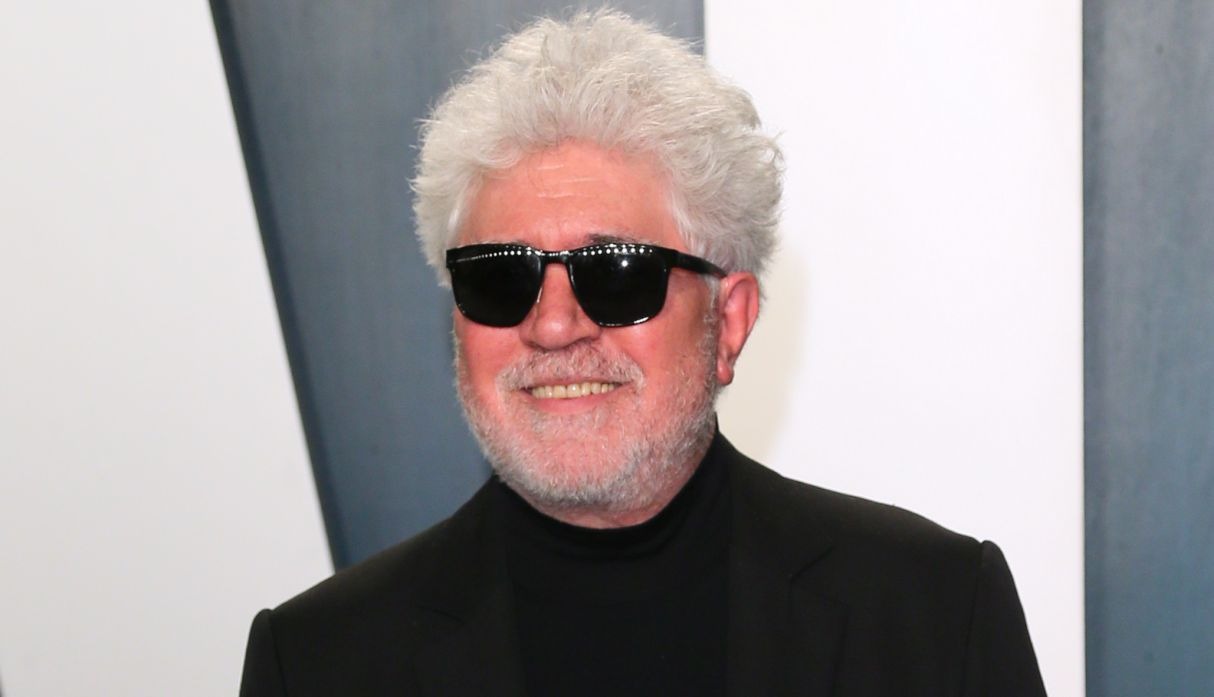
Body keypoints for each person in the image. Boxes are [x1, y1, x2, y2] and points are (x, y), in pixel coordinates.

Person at [239, 10, 1047, 697]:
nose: (555, 326)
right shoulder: (316, 662)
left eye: (616, 274)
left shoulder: (935, 617)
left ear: (730, 319)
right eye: (501, 278)